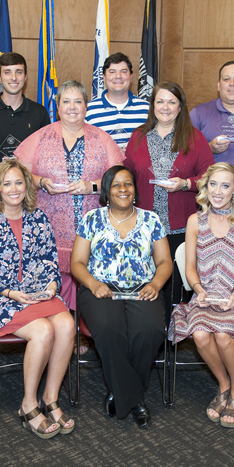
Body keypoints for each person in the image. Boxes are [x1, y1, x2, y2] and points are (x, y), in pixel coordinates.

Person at [0, 160, 75, 439]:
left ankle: (50, 398)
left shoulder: (37, 218)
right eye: (6, 183)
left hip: (35, 294)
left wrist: (52, 283)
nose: (13, 189)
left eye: (18, 182)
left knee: (65, 324)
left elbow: (50, 259)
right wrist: (10, 292)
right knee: (43, 330)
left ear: (26, 185)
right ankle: (28, 404)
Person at [71, 165, 173, 428]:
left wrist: (156, 283)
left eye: (127, 184)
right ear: (106, 191)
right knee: (110, 329)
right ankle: (135, 399)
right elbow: (78, 263)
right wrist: (93, 284)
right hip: (100, 290)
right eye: (116, 185)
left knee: (150, 331)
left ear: (135, 190)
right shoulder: (91, 219)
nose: (123, 189)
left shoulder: (151, 219)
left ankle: (120, 392)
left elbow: (164, 261)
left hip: (142, 288)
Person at [170, 163, 234, 428]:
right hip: (206, 295)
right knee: (200, 334)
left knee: (223, 334)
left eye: (225, 185)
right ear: (205, 186)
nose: (218, 191)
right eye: (213, 184)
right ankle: (223, 385)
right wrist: (199, 290)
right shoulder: (195, 221)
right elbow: (189, 267)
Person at [15, 79, 124, 310]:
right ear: (57, 106)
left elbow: (119, 178)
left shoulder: (101, 138)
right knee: (56, 282)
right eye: (66, 101)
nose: (72, 107)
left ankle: (85, 333)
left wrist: (92, 187)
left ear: (86, 106)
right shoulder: (40, 137)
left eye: (78, 101)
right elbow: (18, 173)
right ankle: (62, 331)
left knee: (92, 282)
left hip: (93, 228)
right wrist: (42, 182)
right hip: (49, 228)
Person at [124, 80, 215, 316]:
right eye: (160, 101)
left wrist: (186, 184)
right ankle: (149, 336)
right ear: (152, 105)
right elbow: (127, 175)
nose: (165, 107)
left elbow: (210, 178)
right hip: (144, 228)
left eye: (171, 102)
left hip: (179, 228)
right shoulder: (138, 137)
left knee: (174, 292)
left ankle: (169, 340)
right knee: (145, 286)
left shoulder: (195, 138)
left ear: (180, 106)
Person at [0, 52, 51, 163]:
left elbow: (47, 155)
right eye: (7, 72)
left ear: (25, 77)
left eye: (19, 72)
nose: (13, 78)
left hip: (29, 180)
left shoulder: (40, 112)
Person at [85, 52, 151, 150]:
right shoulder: (88, 110)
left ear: (131, 76)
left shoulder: (147, 109)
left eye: (123, 71)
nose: (118, 76)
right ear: (104, 77)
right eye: (112, 72)